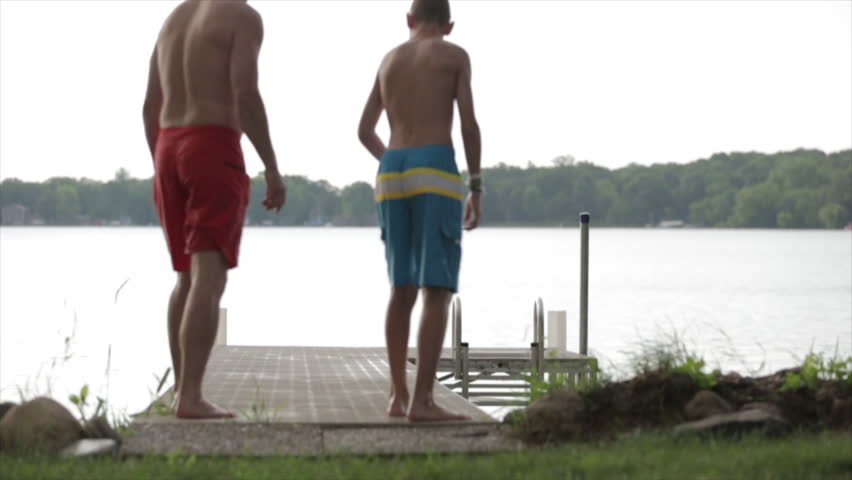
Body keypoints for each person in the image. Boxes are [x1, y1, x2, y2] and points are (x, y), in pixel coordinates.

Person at [142, 0, 286, 419]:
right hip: (212, 144)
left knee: (184, 276)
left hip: (167, 147)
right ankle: (190, 397)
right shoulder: (242, 17)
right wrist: (272, 167)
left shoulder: (174, 20)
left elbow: (150, 105)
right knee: (208, 276)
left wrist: (163, 163)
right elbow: (245, 95)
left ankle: (180, 389)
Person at [357, 0, 483, 421]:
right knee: (436, 288)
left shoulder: (389, 59)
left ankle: (397, 396)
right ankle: (424, 402)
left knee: (401, 288)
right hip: (435, 167)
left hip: (392, 170)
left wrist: (393, 163)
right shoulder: (454, 55)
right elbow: (467, 124)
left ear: (409, 20)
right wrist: (476, 185)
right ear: (448, 25)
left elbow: (363, 130)